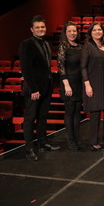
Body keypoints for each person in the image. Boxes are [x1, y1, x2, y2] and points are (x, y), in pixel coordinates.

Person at [19, 15, 60, 161]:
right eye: (37, 27)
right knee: (30, 118)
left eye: (42, 27)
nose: (41, 29)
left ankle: (43, 143)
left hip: (46, 87)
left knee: (42, 116)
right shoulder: (26, 44)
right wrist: (34, 88)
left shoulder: (46, 43)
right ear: (32, 29)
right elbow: (26, 69)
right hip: (33, 89)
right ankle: (29, 148)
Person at [81, 22, 104, 151]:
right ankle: (93, 140)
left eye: (99, 29)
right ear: (91, 33)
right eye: (95, 30)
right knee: (95, 113)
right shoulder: (88, 47)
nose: (98, 32)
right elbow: (83, 67)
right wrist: (87, 84)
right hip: (95, 85)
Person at [57, 21, 83, 150]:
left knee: (78, 112)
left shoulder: (80, 46)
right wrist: (67, 85)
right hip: (68, 83)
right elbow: (61, 68)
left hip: (79, 84)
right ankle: (71, 140)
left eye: (74, 31)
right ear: (65, 33)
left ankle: (77, 138)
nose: (72, 33)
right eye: (69, 31)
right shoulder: (63, 47)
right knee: (70, 112)